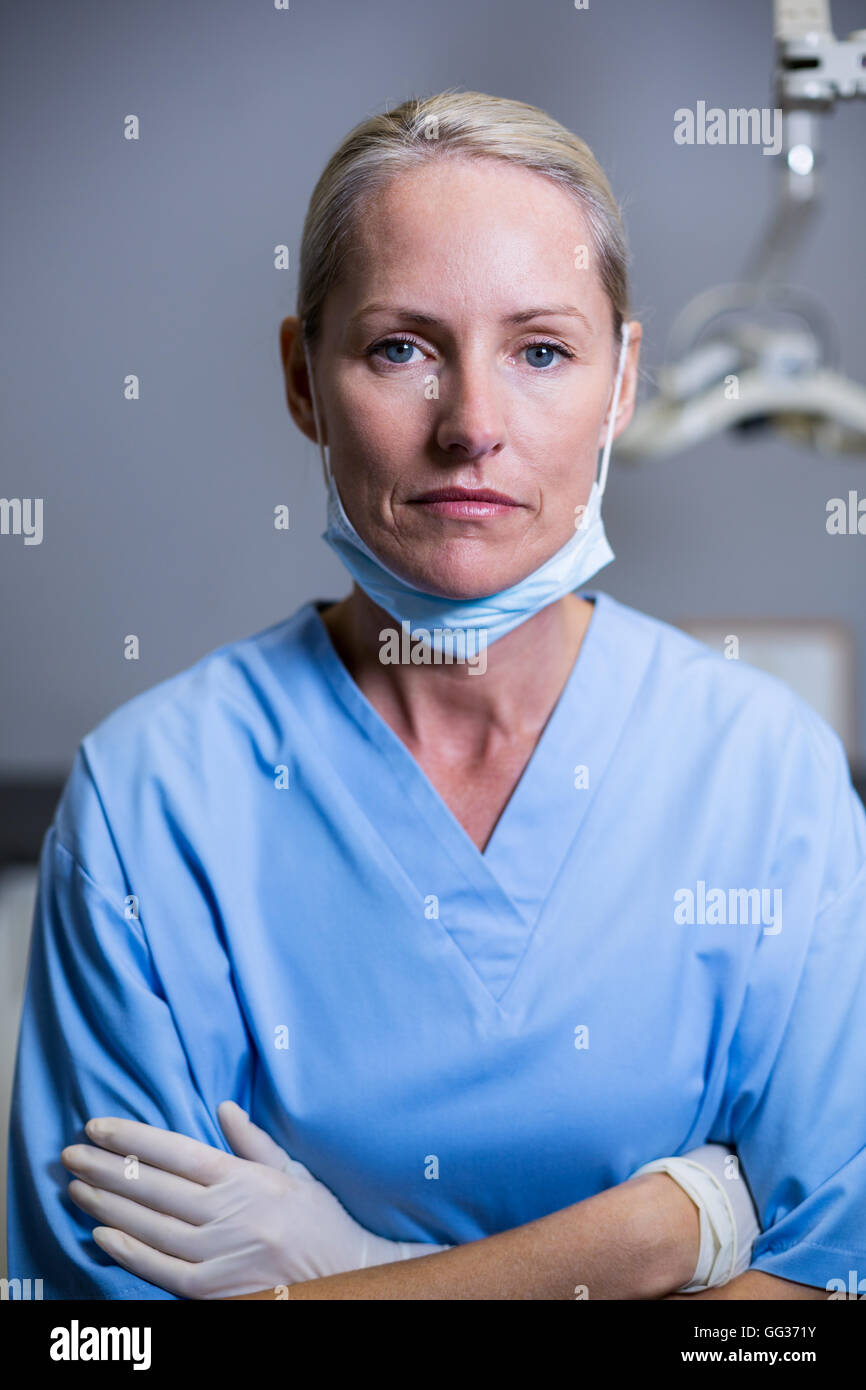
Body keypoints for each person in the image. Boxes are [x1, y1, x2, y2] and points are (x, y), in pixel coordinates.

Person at [7, 91, 865, 1301]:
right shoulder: (155, 803)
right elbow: (100, 1343)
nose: (470, 428)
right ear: (304, 380)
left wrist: (351, 1280)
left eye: (540, 352)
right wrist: (653, 1238)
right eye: (400, 347)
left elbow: (807, 1318)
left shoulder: (764, 777)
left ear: (621, 382)